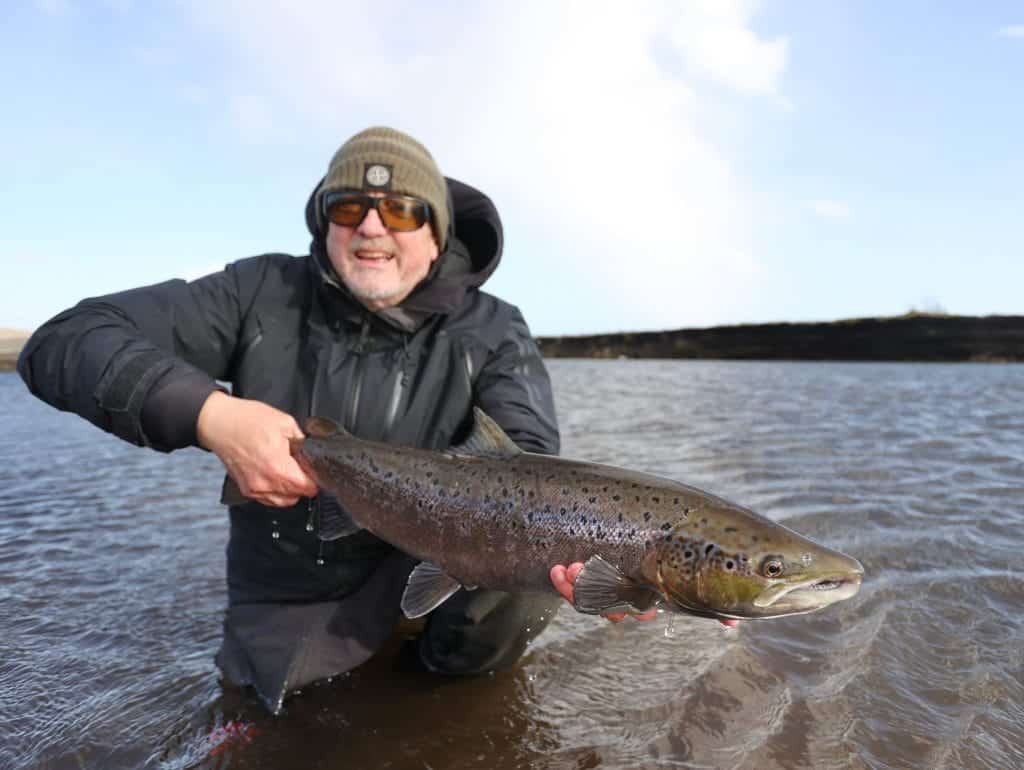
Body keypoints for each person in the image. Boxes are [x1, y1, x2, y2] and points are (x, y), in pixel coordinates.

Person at [18, 126, 658, 714]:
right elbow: (65, 340)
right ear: (325, 223)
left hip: (450, 559)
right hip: (299, 583)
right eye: (348, 208)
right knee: (268, 714)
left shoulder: (492, 327)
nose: (371, 228)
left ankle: (446, 695)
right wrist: (211, 414)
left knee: (515, 600)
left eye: (401, 211)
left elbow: (529, 453)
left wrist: (603, 564)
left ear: (437, 233)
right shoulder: (259, 291)